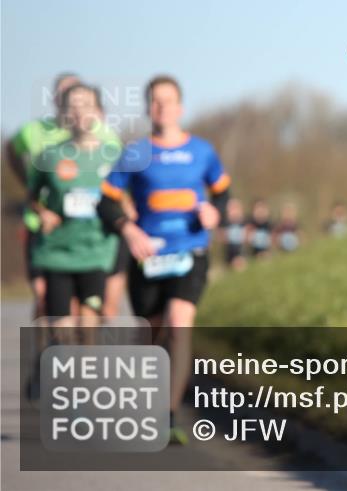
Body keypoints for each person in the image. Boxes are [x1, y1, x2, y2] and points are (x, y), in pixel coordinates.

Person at [96, 75, 231, 445]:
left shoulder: (202, 151)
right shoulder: (135, 153)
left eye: (168, 100)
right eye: (155, 101)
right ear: (147, 108)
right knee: (152, 336)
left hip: (191, 252)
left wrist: (215, 213)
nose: (162, 108)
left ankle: (168, 416)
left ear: (180, 107)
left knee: (179, 323)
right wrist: (129, 231)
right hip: (149, 257)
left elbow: (222, 194)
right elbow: (106, 202)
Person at [6, 72, 121, 319]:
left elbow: (122, 191)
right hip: (50, 238)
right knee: (45, 301)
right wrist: (41, 208)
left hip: (94, 242)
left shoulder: (109, 144)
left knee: (92, 315)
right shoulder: (39, 138)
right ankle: (45, 340)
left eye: (85, 103)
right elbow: (29, 185)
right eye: (70, 102)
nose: (78, 110)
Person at [223, 198, 248, 271]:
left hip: (241, 249)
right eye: (231, 209)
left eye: (235, 209)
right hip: (230, 250)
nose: (234, 212)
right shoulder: (226, 223)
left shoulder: (244, 222)